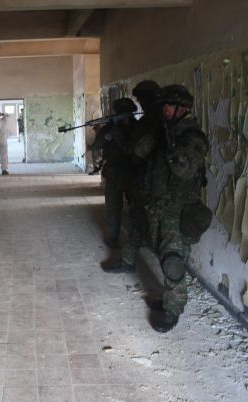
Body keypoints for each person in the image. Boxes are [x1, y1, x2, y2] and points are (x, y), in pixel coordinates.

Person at [146, 85, 210, 332]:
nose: (165, 110)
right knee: (163, 255)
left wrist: (170, 146)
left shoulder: (192, 138)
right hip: (162, 207)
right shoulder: (168, 131)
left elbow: (185, 170)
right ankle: (168, 298)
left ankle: (173, 309)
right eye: (164, 106)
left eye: (170, 106)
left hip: (180, 209)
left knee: (173, 260)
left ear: (182, 108)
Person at [110, 80, 163, 271]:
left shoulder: (150, 123)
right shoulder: (158, 120)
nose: (140, 103)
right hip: (150, 179)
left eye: (141, 99)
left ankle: (131, 260)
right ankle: (128, 259)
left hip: (150, 180)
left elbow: (133, 151)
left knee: (143, 221)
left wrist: (118, 131)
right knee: (139, 220)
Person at [97, 98, 138, 272]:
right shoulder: (111, 127)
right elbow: (97, 144)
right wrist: (107, 130)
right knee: (113, 207)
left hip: (131, 173)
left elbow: (131, 149)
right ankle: (113, 238)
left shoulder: (137, 128)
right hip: (114, 173)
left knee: (135, 210)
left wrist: (116, 131)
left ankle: (135, 241)